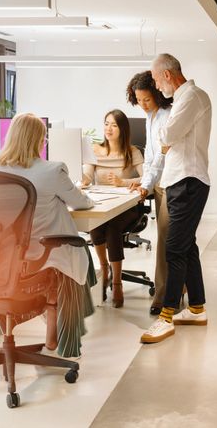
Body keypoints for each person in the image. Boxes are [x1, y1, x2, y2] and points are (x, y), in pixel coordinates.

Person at [0, 112, 95, 359]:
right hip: (44, 254)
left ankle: (19, 326)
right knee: (78, 250)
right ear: (39, 140)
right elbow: (80, 204)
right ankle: (57, 329)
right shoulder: (52, 170)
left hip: (5, 259)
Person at [140, 53, 212, 344]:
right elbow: (167, 139)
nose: (157, 88)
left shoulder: (191, 97)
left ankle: (166, 316)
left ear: (167, 75)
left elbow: (168, 133)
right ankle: (196, 308)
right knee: (186, 246)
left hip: (187, 181)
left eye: (157, 81)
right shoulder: (186, 98)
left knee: (174, 249)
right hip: (181, 180)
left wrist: (165, 138)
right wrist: (166, 141)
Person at [82, 109, 144, 308]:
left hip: (126, 207)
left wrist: (123, 182)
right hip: (103, 204)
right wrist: (82, 179)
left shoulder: (132, 152)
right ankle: (104, 269)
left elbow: (147, 177)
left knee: (112, 226)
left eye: (114, 125)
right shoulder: (95, 150)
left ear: (122, 129)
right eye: (106, 123)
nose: (108, 128)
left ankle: (116, 281)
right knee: (97, 222)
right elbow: (87, 175)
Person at [125, 71, 173, 316]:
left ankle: (163, 296)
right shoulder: (151, 116)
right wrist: (143, 181)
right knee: (170, 239)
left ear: (157, 94)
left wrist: (146, 182)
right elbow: (151, 156)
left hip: (168, 182)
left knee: (166, 239)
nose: (142, 105)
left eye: (147, 99)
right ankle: (178, 288)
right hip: (156, 182)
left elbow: (162, 158)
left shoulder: (167, 116)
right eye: (138, 100)